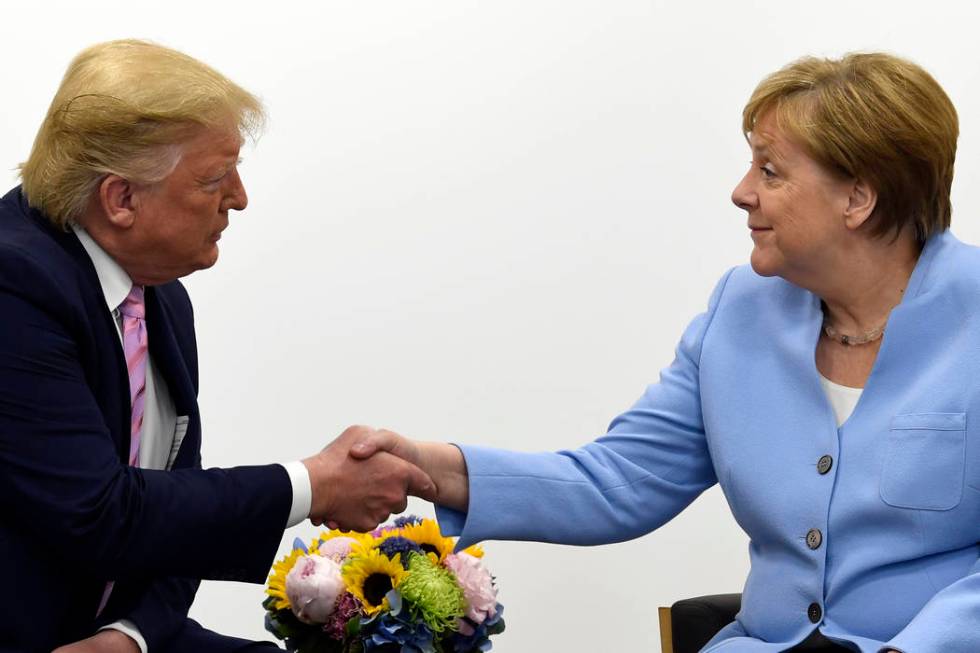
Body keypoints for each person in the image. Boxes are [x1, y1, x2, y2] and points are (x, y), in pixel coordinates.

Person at [350, 53, 979, 652]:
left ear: (857, 199)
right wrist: (429, 467)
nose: (741, 191)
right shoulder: (742, 310)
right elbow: (619, 481)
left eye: (770, 170)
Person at [0, 40, 436, 653]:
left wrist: (129, 637)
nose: (239, 196)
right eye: (213, 178)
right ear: (120, 198)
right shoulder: (13, 283)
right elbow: (99, 513)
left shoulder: (160, 295)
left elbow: (177, 517)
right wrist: (315, 485)